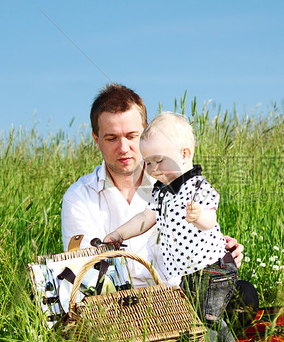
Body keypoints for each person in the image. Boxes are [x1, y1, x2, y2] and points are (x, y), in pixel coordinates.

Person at [60, 83, 243, 288]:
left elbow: (197, 232)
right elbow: (86, 271)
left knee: (244, 296)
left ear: (146, 134)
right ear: (96, 139)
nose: (123, 148)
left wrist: (218, 249)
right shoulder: (79, 197)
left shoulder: (175, 181)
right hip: (116, 306)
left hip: (181, 296)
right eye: (111, 138)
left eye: (132, 136)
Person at [104, 112, 241, 342]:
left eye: (158, 161)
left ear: (184, 155)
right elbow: (146, 218)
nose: (152, 169)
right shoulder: (161, 192)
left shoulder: (197, 186)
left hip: (211, 269)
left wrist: (199, 217)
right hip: (188, 274)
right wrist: (119, 234)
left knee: (207, 317)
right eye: (147, 162)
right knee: (193, 318)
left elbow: (211, 219)